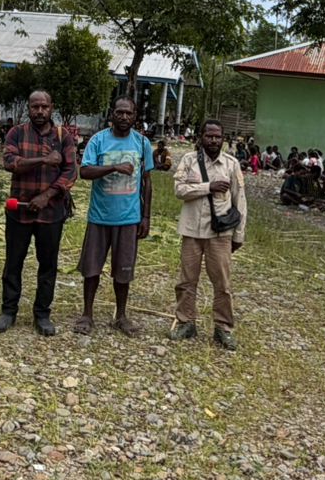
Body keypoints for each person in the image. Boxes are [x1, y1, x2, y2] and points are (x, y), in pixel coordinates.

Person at [0, 89, 77, 337]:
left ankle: (42, 314)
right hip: (18, 211)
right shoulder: (16, 133)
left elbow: (71, 172)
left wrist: (46, 196)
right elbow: (10, 163)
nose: (39, 111)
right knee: (13, 262)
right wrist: (42, 160)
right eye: (35, 107)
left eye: (44, 107)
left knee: (48, 265)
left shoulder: (63, 136)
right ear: (28, 108)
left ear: (52, 108)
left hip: (51, 213)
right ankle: (8, 311)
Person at [74, 97, 153, 336]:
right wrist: (113, 167)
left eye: (129, 113)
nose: (124, 117)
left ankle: (121, 315)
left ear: (135, 115)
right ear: (112, 114)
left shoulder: (142, 143)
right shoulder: (98, 140)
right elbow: (85, 171)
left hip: (129, 218)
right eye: (119, 112)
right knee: (92, 268)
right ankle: (87, 313)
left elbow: (147, 182)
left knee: (124, 269)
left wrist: (146, 216)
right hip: (100, 216)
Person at [171, 119, 245, 349]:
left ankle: (223, 328)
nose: (213, 140)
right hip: (192, 230)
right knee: (186, 281)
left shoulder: (231, 165)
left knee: (222, 283)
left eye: (217, 136)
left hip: (220, 234)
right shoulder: (188, 161)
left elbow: (239, 201)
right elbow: (179, 190)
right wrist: (208, 187)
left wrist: (239, 235)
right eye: (209, 136)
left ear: (223, 139)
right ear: (200, 137)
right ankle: (185, 322)